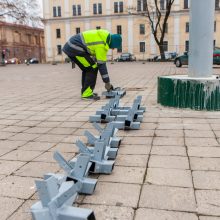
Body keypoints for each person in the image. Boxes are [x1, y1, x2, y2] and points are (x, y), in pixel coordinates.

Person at [63, 29, 122, 100]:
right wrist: (107, 83)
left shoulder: (104, 36)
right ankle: (87, 94)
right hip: (74, 48)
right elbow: (101, 65)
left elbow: (92, 48)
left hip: (72, 46)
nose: (113, 49)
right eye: (114, 47)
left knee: (88, 68)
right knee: (92, 68)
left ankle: (86, 92)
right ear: (113, 43)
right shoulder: (102, 45)